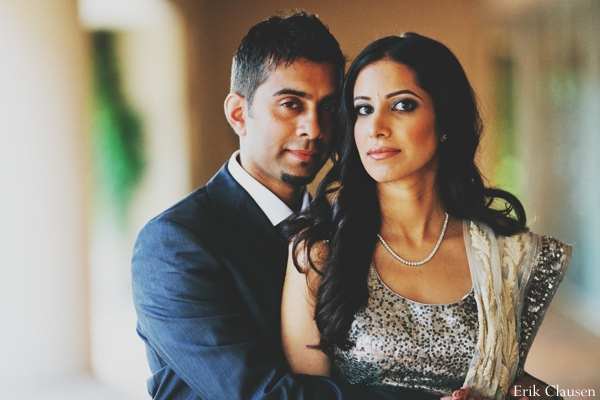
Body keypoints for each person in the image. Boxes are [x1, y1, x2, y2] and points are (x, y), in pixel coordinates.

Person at [132, 12, 444, 400]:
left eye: (328, 108)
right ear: (237, 114)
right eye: (291, 104)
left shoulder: (349, 228)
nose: (313, 128)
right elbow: (260, 394)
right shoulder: (175, 243)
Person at [281, 33, 571, 400]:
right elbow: (305, 395)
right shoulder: (320, 253)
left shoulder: (508, 256)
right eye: (363, 109)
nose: (376, 127)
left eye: (402, 105)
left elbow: (526, 387)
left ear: (446, 120)